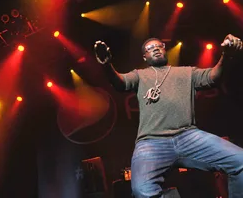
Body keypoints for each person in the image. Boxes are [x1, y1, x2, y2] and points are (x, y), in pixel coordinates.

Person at [94, 34, 243, 197]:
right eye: (149, 49)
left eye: (159, 46)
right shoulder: (139, 75)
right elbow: (119, 82)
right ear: (145, 57)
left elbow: (213, 77)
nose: (155, 49)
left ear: (165, 50)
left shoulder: (187, 72)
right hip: (151, 142)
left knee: (240, 161)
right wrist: (107, 65)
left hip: (188, 135)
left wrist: (226, 55)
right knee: (142, 190)